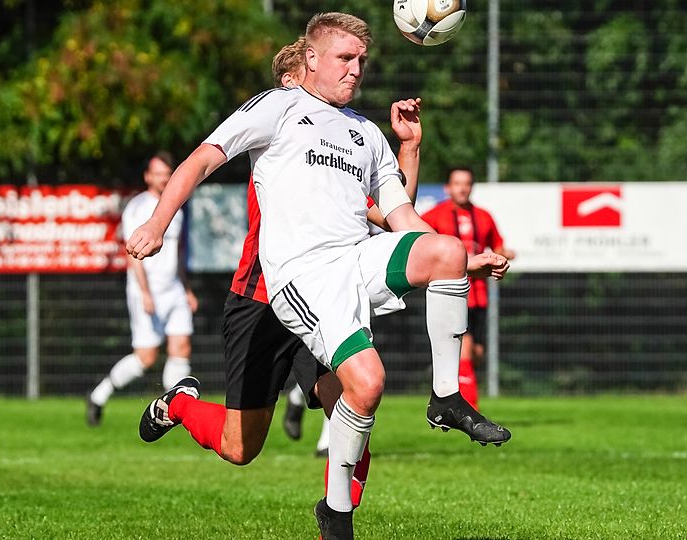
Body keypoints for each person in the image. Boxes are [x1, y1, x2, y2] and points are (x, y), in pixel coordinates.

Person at [127, 13, 511, 538]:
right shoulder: (279, 114)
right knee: (240, 446)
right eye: (343, 59)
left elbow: (397, 219)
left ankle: (342, 509)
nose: (355, 70)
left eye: (361, 61)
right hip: (265, 298)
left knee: (360, 394)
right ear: (303, 67)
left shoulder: (359, 132)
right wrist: (157, 221)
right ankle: (179, 404)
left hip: (335, 286)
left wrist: (456, 251)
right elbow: (202, 158)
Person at [85, 151, 197, 426]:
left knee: (181, 346)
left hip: (173, 289)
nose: (164, 179)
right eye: (158, 174)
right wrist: (145, 293)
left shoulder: (176, 207)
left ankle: (174, 411)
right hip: (146, 291)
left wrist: (186, 288)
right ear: (148, 177)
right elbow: (132, 256)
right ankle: (98, 396)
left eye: (167, 174)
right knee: (146, 358)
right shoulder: (137, 207)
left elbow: (177, 254)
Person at [421, 167, 515, 409]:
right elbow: (420, 242)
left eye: (466, 183)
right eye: (457, 183)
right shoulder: (434, 216)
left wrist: (503, 255)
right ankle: (468, 408)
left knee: (477, 354)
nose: (462, 188)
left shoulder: (484, 217)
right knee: (466, 349)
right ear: (448, 187)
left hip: (479, 294)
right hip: (451, 291)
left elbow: (497, 245)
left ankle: (450, 383)